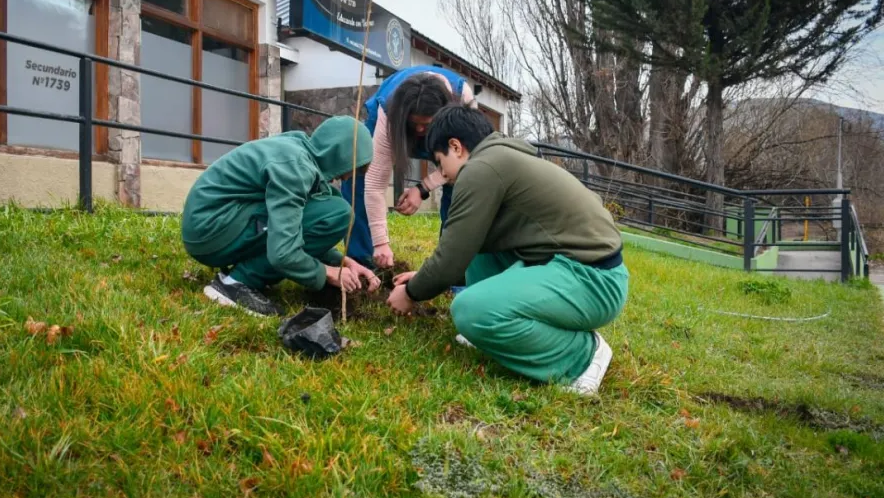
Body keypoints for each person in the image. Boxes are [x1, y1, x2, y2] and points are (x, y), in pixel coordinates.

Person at [387, 105, 629, 396]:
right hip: (578, 268)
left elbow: (449, 261)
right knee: (477, 246)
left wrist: (412, 292)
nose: (443, 175)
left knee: (468, 311)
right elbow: (464, 248)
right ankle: (491, 327)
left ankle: (582, 356)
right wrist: (424, 277)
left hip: (592, 281)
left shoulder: (481, 169)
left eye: (440, 163)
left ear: (456, 146)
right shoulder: (501, 158)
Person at [182, 115, 380, 316]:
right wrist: (327, 273)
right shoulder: (295, 167)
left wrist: (344, 262)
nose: (346, 177)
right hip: (210, 230)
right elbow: (283, 252)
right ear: (339, 154)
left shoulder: (299, 151)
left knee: (329, 204)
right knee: (337, 213)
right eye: (351, 169)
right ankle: (236, 283)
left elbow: (298, 226)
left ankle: (243, 274)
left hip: (214, 223)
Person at [341, 66, 476, 270]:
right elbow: (375, 185)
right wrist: (381, 243)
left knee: (462, 184)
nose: (420, 130)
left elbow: (464, 161)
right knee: (357, 174)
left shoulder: (463, 99)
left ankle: (453, 266)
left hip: (450, 135)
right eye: (415, 124)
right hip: (393, 120)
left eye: (426, 124)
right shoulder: (388, 110)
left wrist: (422, 189)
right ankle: (362, 263)